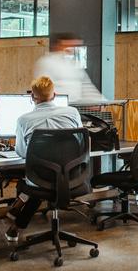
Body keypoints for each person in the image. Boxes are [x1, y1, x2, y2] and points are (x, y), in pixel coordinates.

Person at [7, 75, 83, 241]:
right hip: (71, 176)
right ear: (54, 95)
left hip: (40, 179)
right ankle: (16, 223)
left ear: (32, 96)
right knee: (42, 179)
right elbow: (81, 143)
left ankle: (17, 215)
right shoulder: (72, 113)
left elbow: (22, 153)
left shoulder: (24, 120)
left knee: (32, 180)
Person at [33, 33, 103, 103]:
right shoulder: (46, 62)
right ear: (58, 45)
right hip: (56, 105)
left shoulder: (73, 64)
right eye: (68, 46)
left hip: (76, 105)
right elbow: (42, 88)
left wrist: (101, 101)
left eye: (73, 46)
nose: (71, 49)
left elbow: (86, 86)